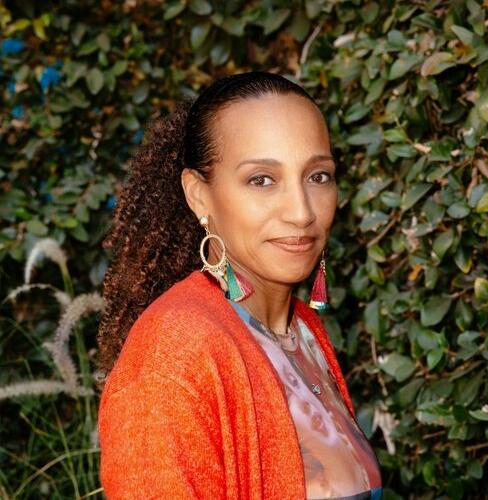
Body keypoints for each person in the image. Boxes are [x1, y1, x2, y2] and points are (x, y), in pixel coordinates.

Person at [96, 71, 383, 499]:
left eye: (318, 176)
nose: (302, 212)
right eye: (262, 179)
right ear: (199, 195)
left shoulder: (303, 331)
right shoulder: (174, 353)